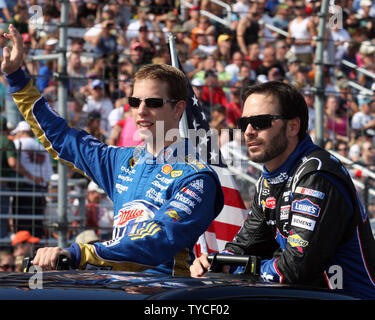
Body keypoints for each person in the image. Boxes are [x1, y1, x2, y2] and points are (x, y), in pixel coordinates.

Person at [2, 24, 224, 276]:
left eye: (152, 103)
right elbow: (61, 138)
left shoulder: (196, 177)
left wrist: (79, 254)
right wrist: (17, 79)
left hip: (164, 295)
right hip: (116, 289)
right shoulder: (120, 160)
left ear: (178, 109)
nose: (141, 110)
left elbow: (158, 238)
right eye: (134, 101)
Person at [190, 81, 375, 299]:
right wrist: (215, 262)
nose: (248, 132)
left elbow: (295, 270)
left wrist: (237, 267)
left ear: (293, 127)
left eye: (260, 122)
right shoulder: (271, 179)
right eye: (244, 122)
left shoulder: (316, 175)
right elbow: (245, 245)